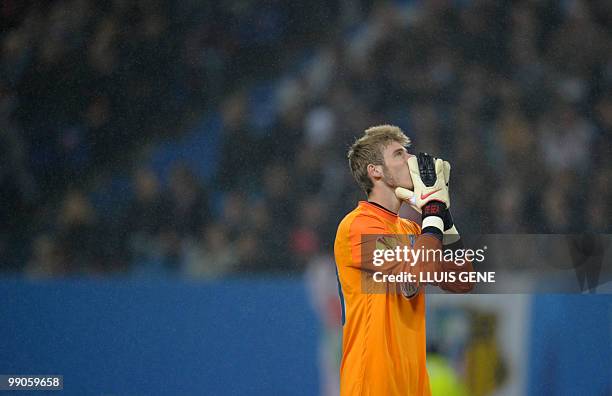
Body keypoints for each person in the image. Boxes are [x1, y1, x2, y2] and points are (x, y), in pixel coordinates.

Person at [334, 125, 474, 395]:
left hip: (412, 384)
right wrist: (432, 209)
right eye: (399, 155)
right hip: (373, 382)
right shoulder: (358, 226)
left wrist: (442, 214)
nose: (411, 161)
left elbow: (463, 278)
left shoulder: (410, 230)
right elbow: (417, 273)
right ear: (375, 171)